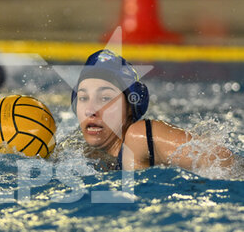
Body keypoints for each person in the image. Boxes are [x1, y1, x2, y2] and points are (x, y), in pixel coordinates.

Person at [71, 49, 234, 171]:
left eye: (105, 98)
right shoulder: (81, 148)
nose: (90, 110)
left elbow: (228, 165)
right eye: (83, 98)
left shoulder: (141, 136)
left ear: (130, 108)